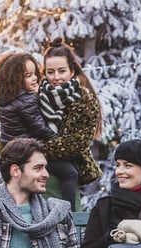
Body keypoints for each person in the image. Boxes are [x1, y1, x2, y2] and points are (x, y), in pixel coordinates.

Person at [0, 52, 81, 211]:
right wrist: (59, 141)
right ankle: (71, 212)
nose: (34, 78)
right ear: (15, 79)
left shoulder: (5, 100)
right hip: (27, 152)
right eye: (28, 75)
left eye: (35, 74)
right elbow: (39, 128)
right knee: (70, 172)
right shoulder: (26, 100)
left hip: (13, 150)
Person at [40, 38, 104, 207]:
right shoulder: (38, 96)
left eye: (62, 71)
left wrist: (37, 149)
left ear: (72, 71)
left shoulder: (85, 101)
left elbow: (76, 143)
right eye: (50, 72)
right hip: (38, 174)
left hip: (65, 173)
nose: (56, 77)